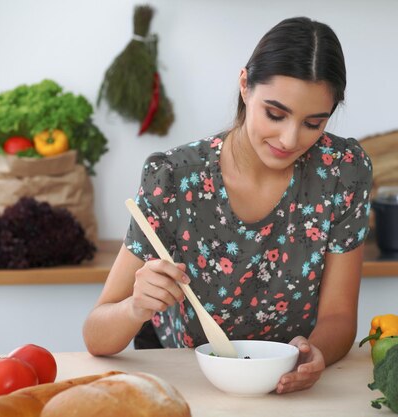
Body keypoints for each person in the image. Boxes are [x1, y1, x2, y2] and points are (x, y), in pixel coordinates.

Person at [83, 16, 372, 394]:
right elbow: (96, 334)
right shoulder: (174, 177)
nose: (289, 139)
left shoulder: (343, 172)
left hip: (288, 387)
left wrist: (314, 352)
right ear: (244, 86)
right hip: (188, 385)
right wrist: (136, 307)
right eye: (275, 114)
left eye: (313, 123)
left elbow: (338, 315)